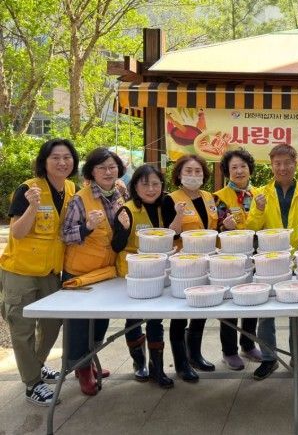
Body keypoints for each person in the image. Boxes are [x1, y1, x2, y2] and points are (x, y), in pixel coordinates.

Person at [0, 139, 78, 406]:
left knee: (52, 323)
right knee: (22, 329)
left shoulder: (71, 188)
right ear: (44, 161)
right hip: (20, 270)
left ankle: (37, 364)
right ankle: (32, 383)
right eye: (55, 157)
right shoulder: (28, 189)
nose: (62, 162)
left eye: (67, 157)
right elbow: (17, 232)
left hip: (51, 271)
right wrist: (33, 207)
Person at [246, 143, 298, 380]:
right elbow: (251, 228)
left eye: (287, 163)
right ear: (271, 165)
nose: (283, 168)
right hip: (270, 262)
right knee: (266, 313)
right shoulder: (261, 194)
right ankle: (269, 358)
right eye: (277, 163)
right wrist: (258, 210)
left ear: (295, 164)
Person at [62, 147, 127, 396]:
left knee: (100, 323)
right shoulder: (80, 198)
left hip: (106, 272)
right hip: (80, 274)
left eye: (112, 167)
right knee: (80, 325)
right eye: (101, 168)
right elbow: (66, 235)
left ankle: (90, 361)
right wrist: (87, 226)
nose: (108, 172)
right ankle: (81, 369)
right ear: (92, 172)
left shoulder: (120, 194)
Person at [113, 164, 173, 388]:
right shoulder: (126, 210)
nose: (151, 189)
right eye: (145, 184)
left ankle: (157, 368)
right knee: (134, 319)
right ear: (135, 186)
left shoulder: (164, 206)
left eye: (156, 184)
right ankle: (139, 363)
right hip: (134, 275)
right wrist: (123, 229)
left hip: (158, 273)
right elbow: (116, 246)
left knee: (156, 319)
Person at [162, 154, 218, 381]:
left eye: (197, 171)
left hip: (207, 261)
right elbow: (170, 233)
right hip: (183, 264)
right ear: (179, 174)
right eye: (188, 171)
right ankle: (181, 363)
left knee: (200, 307)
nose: (193, 175)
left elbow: (214, 227)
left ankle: (195, 354)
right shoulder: (170, 199)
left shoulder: (209, 197)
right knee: (180, 314)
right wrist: (177, 214)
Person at [213, 149, 263, 370]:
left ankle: (248, 344)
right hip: (230, 258)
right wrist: (224, 227)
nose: (239, 171)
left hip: (255, 255)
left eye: (243, 166)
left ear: (250, 169)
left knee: (252, 298)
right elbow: (214, 227)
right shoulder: (218, 196)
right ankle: (229, 350)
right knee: (230, 302)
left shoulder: (260, 194)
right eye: (234, 167)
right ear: (227, 171)